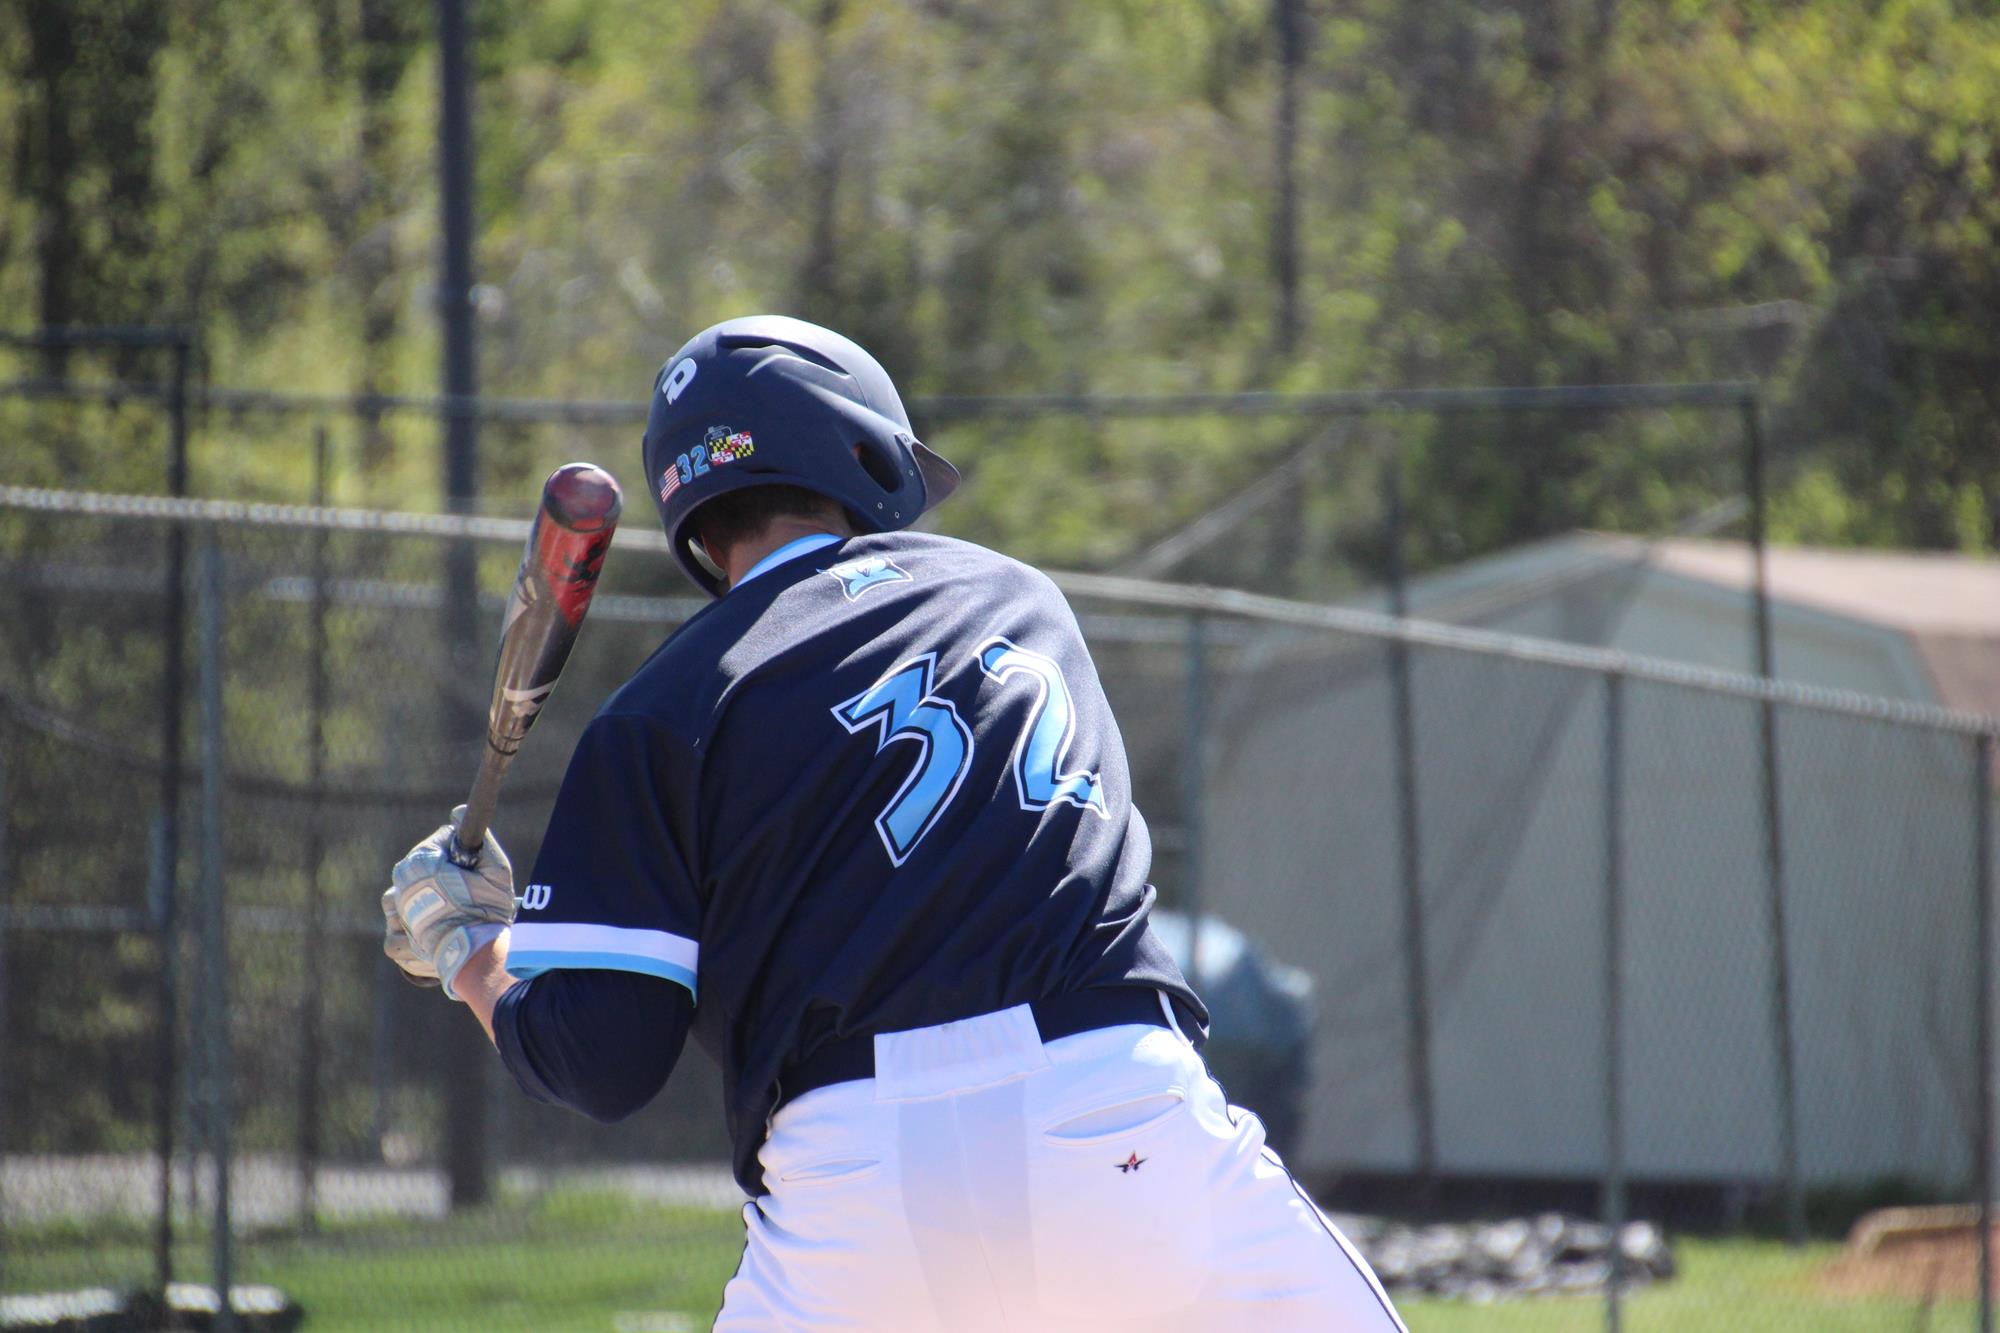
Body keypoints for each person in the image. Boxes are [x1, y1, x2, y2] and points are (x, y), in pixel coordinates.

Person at [382, 315, 1407, 1332]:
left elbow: (601, 1059)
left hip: (854, 1185)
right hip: (1113, 1115)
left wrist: (470, 943)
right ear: (861, 448)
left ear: (691, 512)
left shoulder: (660, 705)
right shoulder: (1017, 596)